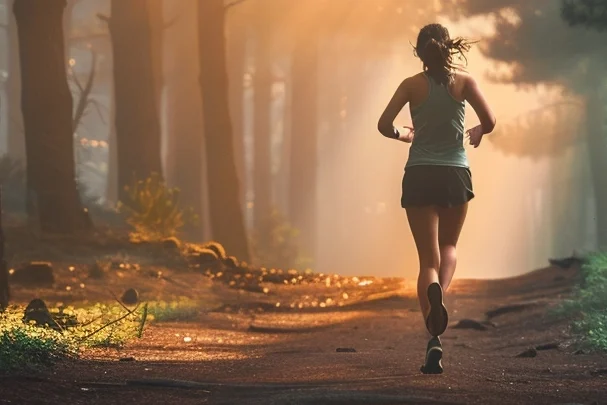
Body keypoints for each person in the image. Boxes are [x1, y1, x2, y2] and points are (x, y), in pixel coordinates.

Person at [377, 23, 496, 374]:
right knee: (449, 249)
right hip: (455, 174)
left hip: (419, 174)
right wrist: (476, 130)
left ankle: (433, 335)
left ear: (420, 52)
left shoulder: (411, 84)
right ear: (448, 48)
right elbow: (489, 120)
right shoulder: (465, 82)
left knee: (426, 261)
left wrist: (404, 134)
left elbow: (384, 124)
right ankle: (438, 301)